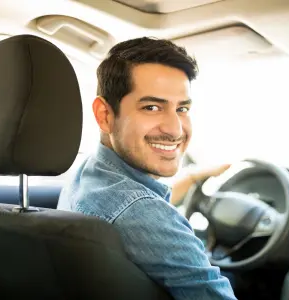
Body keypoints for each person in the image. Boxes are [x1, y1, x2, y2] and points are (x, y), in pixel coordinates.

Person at [57, 37, 237, 299]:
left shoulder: (93, 173)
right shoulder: (140, 211)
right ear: (104, 115)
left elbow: (136, 204)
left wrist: (195, 177)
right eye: (151, 107)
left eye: (182, 108)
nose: (175, 129)